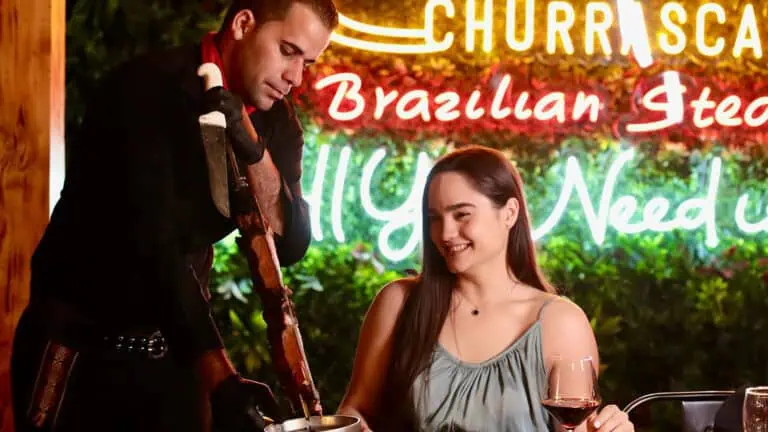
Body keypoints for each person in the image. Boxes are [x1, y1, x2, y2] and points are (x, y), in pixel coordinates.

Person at [10, 0, 337, 431]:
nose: (295, 77)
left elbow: (291, 243)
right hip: (77, 349)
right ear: (243, 24)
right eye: (288, 51)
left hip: (173, 350)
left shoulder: (276, 119)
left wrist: (251, 144)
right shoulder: (144, 88)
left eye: (307, 63)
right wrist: (220, 378)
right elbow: (157, 245)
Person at [337, 146, 635, 431]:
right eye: (434, 218)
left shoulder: (561, 323)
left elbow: (576, 428)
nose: (446, 233)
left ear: (509, 213)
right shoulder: (399, 303)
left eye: (462, 214)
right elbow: (355, 409)